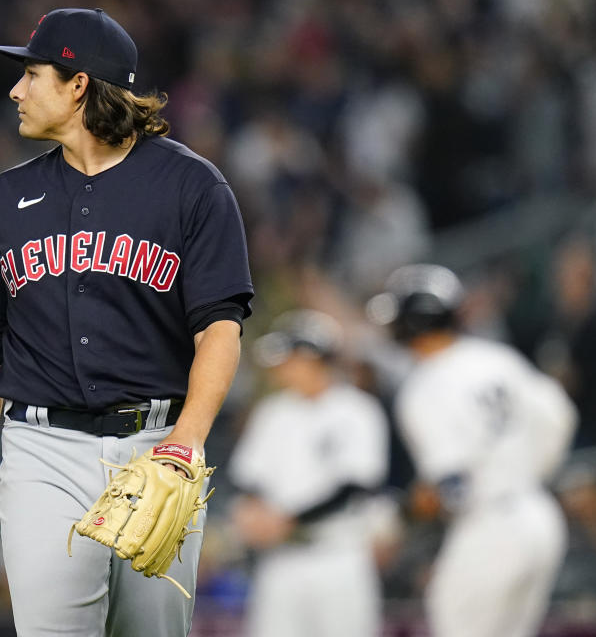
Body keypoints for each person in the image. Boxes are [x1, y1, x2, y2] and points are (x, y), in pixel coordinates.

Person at [0, 8, 253, 637]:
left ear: (77, 83)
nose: (15, 90)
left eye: (31, 75)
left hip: (156, 444)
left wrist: (184, 444)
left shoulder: (192, 187)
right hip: (42, 451)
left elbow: (220, 328)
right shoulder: (5, 198)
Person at [367, 264, 576, 637]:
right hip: (540, 515)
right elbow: (560, 418)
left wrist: (398, 519)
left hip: (490, 525)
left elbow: (452, 486)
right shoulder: (497, 358)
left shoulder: (425, 386)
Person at [228, 309, 390, 637]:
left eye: (289, 358)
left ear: (313, 356)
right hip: (280, 560)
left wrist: (287, 520)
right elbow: (248, 479)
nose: (282, 368)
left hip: (338, 556)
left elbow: (355, 486)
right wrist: (253, 512)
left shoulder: (356, 409)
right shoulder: (273, 411)